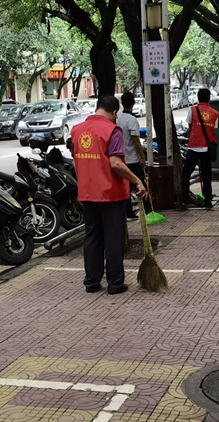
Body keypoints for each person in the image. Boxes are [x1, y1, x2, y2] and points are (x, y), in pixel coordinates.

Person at [71, 95, 147, 295]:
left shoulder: (77, 130)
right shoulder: (112, 130)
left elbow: (76, 161)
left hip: (87, 193)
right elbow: (115, 163)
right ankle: (115, 284)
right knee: (113, 238)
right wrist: (137, 181)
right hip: (110, 194)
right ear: (114, 113)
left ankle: (92, 282)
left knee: (92, 236)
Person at [181, 88, 219, 209]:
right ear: (209, 99)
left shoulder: (192, 110)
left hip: (193, 147)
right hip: (207, 148)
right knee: (206, 175)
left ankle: (184, 200)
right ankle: (208, 201)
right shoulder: (215, 113)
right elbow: (213, 128)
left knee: (186, 173)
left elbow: (190, 126)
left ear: (198, 98)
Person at [116, 92, 151, 220]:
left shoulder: (118, 120)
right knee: (141, 184)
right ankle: (148, 211)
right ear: (133, 103)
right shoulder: (132, 120)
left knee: (125, 187)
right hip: (132, 159)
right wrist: (142, 157)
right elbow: (136, 140)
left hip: (122, 160)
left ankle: (128, 213)